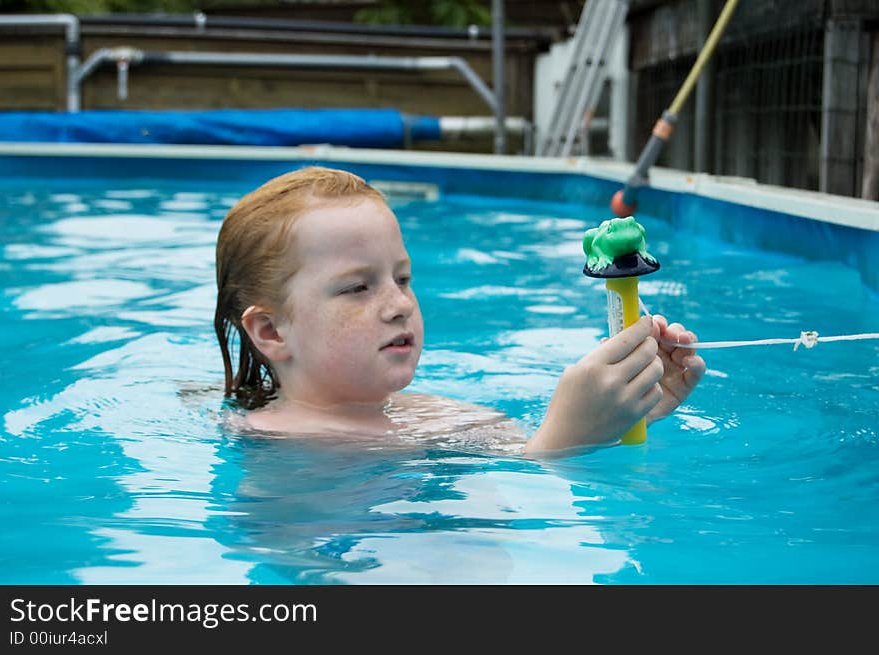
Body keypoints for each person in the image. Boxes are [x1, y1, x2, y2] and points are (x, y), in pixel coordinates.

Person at [214, 166, 706, 457]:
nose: (398, 304)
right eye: (359, 287)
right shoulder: (270, 447)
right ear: (272, 330)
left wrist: (619, 417)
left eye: (403, 279)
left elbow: (532, 463)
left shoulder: (449, 419)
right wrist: (557, 443)